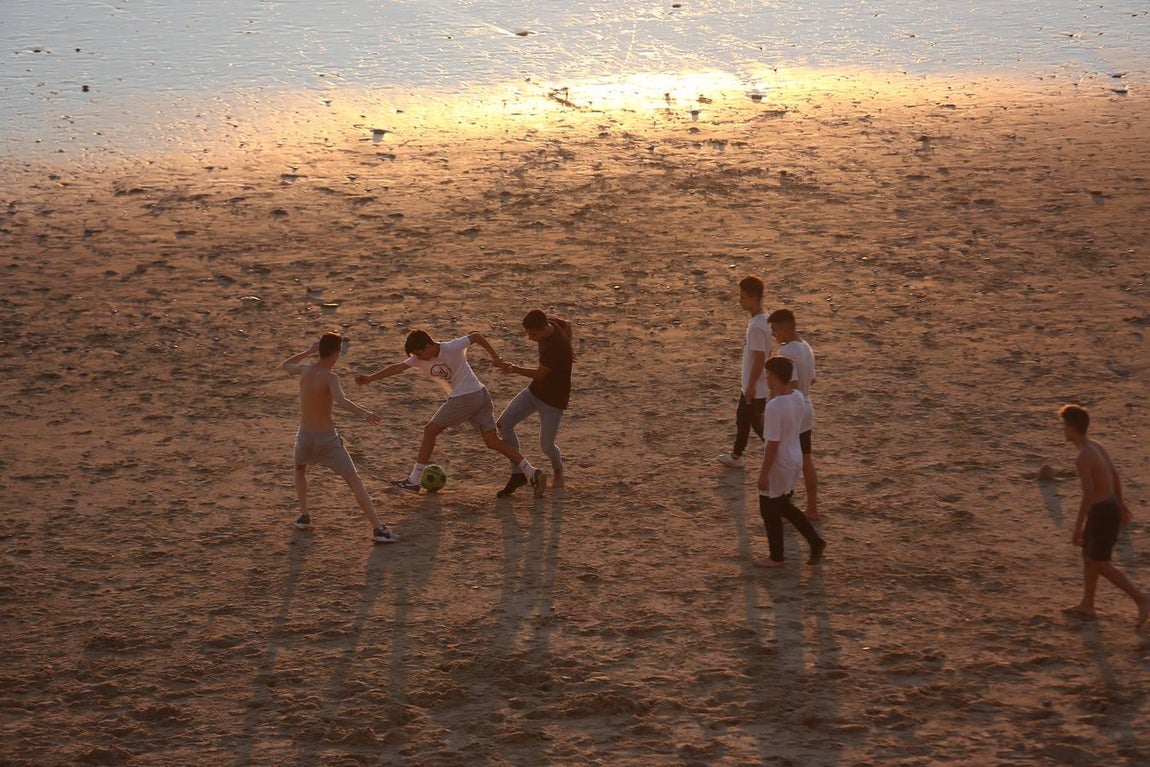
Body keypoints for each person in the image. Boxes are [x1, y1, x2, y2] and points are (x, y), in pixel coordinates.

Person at [356, 330, 548, 497]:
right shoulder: (420, 359)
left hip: (466, 397)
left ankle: (414, 480)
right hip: (480, 395)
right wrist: (371, 378)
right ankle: (532, 472)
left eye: (419, 353)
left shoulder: (451, 347)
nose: (418, 358)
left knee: (430, 431)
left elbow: (477, 337)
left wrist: (495, 357)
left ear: (428, 346)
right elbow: (396, 368)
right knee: (492, 441)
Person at [282, 332, 400, 544]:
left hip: (305, 436)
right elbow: (341, 400)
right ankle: (378, 528)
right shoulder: (331, 377)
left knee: (300, 469)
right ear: (335, 354)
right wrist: (364, 413)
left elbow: (287, 364)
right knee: (354, 481)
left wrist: (308, 351)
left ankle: (304, 514)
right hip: (327, 441)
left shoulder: (305, 369)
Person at [1058, 404, 1149, 626]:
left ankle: (1142, 599)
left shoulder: (1083, 458)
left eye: (1063, 426)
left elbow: (1088, 496)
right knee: (1089, 557)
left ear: (1071, 428)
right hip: (1109, 508)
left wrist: (1078, 528)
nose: (1062, 430)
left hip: (1103, 514)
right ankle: (1087, 604)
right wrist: (1120, 502)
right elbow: (1114, 474)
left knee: (1101, 564)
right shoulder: (1096, 446)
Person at [493, 310, 574, 496]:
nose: (530, 338)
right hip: (535, 392)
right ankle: (518, 472)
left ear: (543, 328)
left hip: (553, 400)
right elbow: (567, 324)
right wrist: (572, 348)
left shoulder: (557, 348)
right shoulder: (552, 323)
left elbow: (540, 374)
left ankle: (558, 470)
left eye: (533, 334)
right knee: (504, 424)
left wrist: (513, 369)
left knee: (546, 446)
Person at [755, 356, 825, 568]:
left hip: (780, 462)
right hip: (794, 459)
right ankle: (815, 542)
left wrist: (763, 473)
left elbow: (772, 445)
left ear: (774, 377)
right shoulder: (797, 396)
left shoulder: (775, 407)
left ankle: (777, 557)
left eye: (768, 375)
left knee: (768, 509)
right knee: (783, 506)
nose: (766, 379)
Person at [768, 308, 819, 520]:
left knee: (784, 459)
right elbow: (812, 380)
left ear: (785, 328)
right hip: (807, 407)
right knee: (806, 459)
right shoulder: (806, 346)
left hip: (793, 410)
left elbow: (793, 383)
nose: (773, 334)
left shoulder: (787, 352)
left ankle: (784, 505)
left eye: (775, 329)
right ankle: (812, 508)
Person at [717, 275, 771, 469]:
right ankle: (737, 455)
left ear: (754, 298)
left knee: (755, 424)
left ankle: (777, 452)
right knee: (745, 421)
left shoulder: (757, 326)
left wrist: (750, 386)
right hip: (758, 385)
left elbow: (759, 357)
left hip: (754, 386)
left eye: (743, 298)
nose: (740, 301)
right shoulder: (765, 319)